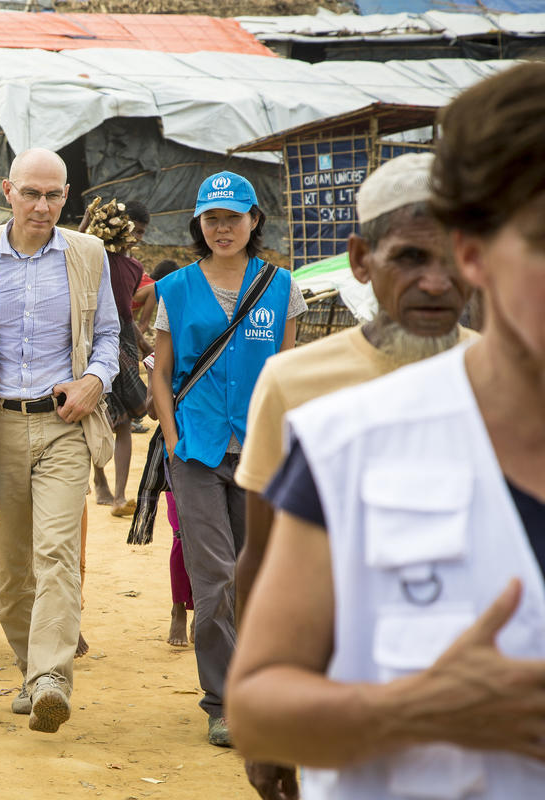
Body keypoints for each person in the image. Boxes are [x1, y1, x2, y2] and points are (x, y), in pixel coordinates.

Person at [227, 62, 545, 799]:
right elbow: (261, 679)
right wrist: (421, 710)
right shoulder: (341, 437)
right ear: (477, 254)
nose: (433, 284)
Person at [229, 152, 476, 800]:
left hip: (486, 699)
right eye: (411, 258)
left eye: (454, 258)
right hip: (343, 693)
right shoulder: (295, 383)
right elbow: (260, 557)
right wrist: (266, 709)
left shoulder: (506, 381)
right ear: (362, 260)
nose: (436, 283)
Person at [0, 148, 119, 733]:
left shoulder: (88, 254)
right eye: (31, 193)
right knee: (14, 569)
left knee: (57, 552)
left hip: (64, 425)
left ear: (67, 197)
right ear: (7, 191)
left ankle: (50, 678)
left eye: (54, 195)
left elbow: (109, 336)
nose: (42, 206)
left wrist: (94, 380)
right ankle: (29, 669)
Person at [150, 171, 305, 747]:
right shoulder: (175, 289)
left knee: (256, 576)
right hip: (196, 450)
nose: (222, 228)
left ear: (253, 220)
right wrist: (171, 438)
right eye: (211, 219)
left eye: (233, 218)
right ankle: (222, 702)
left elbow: (285, 372)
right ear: (199, 224)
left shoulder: (282, 287)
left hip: (261, 452)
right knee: (214, 578)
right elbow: (161, 372)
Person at [85, 199, 152, 516]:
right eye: (134, 230)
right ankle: (100, 482)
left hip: (123, 342)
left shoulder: (135, 268)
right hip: (93, 340)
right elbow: (75, 247)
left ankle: (120, 496)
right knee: (96, 414)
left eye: (142, 233)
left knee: (124, 422)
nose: (137, 237)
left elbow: (125, 314)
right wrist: (88, 220)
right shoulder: (97, 256)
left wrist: (145, 346)